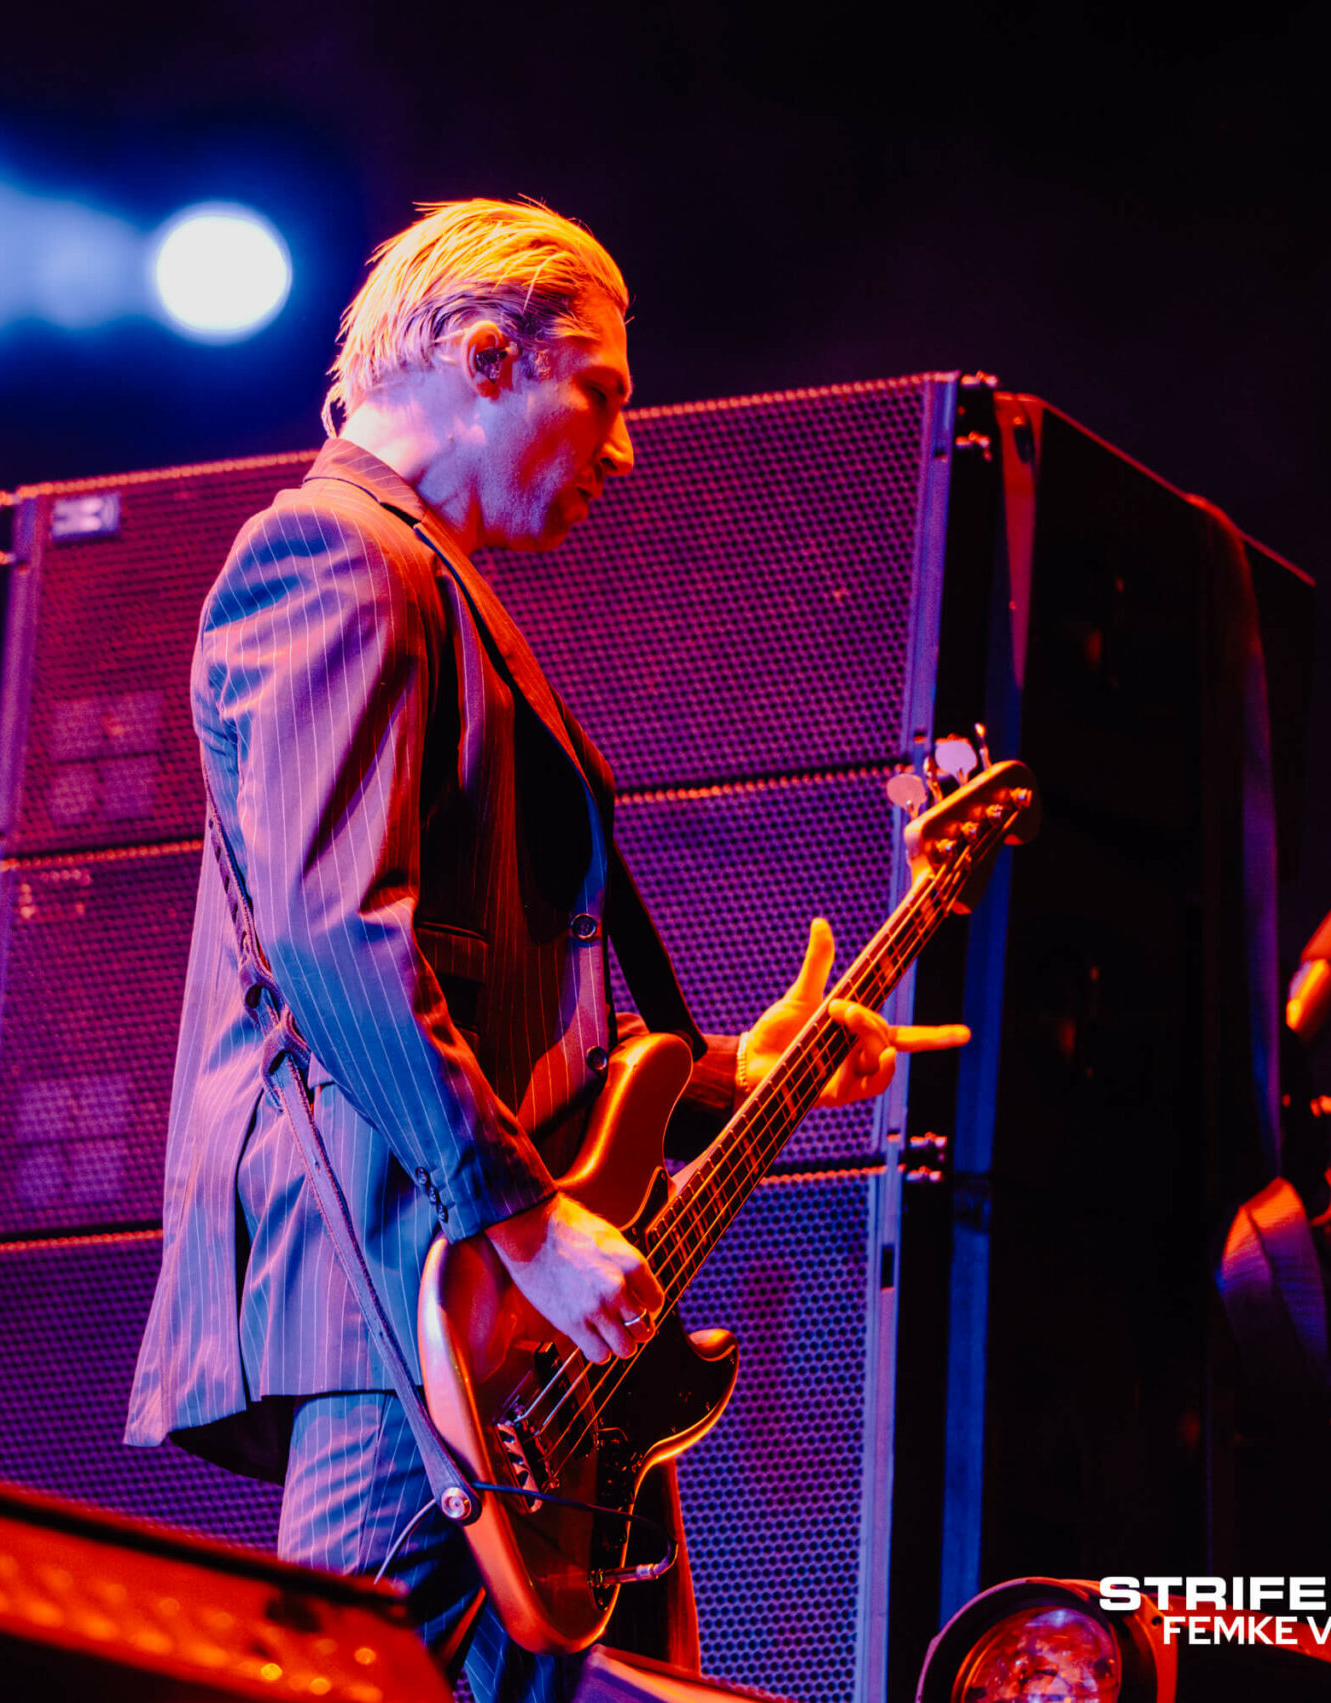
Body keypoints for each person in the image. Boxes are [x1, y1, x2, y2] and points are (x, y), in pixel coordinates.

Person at [124, 199, 968, 1700]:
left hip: (499, 1309)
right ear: (486, 355)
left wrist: (725, 1076)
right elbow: (333, 928)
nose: (624, 450)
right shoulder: (331, 552)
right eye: (605, 394)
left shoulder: (426, 580)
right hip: (413, 1283)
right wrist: (521, 1220)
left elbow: (474, 981)